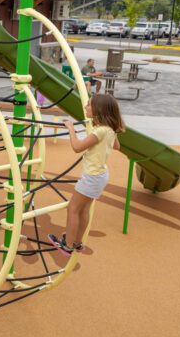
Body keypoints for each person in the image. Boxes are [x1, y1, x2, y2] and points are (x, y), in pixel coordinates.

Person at [50, 94, 124, 256]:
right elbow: (117, 146)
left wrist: (71, 129)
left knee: (73, 209)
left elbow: (77, 147)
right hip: (100, 175)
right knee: (83, 210)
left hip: (92, 176)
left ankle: (68, 245)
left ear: (99, 109)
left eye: (89, 104)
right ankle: (76, 242)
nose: (85, 106)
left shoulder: (100, 131)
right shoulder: (109, 130)